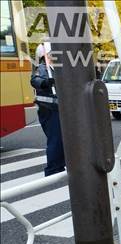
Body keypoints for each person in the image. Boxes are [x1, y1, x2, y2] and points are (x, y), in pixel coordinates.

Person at [31, 42, 65, 176]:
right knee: (55, 139)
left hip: (57, 109)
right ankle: (52, 169)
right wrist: (45, 83)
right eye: (53, 54)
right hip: (48, 110)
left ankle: (61, 165)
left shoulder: (55, 68)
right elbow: (35, 80)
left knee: (62, 138)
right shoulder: (42, 68)